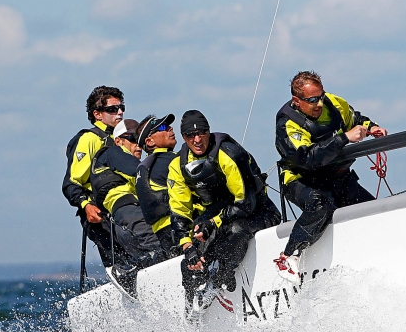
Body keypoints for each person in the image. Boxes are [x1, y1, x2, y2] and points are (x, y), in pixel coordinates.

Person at [274, 70, 387, 282]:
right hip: (302, 181)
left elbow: (356, 119)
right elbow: (307, 158)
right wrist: (344, 138)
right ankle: (288, 256)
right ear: (297, 101)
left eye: (321, 96)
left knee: (372, 213)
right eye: (312, 100)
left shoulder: (333, 103)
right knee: (321, 204)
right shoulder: (288, 123)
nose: (319, 104)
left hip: (338, 178)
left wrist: (372, 128)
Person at [168, 110, 281, 311]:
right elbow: (179, 211)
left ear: (209, 132)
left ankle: (218, 280)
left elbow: (245, 204)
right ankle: (190, 307)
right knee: (191, 251)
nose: (197, 140)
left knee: (236, 231)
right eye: (190, 136)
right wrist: (188, 247)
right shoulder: (178, 165)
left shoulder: (229, 154)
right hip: (218, 214)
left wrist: (213, 223)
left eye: (201, 133)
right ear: (183, 139)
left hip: (258, 212)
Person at [90, 117, 167, 292]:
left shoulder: (132, 163)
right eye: (132, 139)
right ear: (118, 141)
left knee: (163, 257)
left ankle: (135, 274)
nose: (138, 144)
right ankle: (126, 272)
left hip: (131, 221)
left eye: (140, 139)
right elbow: (141, 173)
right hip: (130, 216)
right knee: (161, 249)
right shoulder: (112, 153)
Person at [62, 85, 130, 271]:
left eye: (121, 107)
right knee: (121, 264)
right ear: (97, 114)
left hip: (124, 208)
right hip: (100, 215)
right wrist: (86, 206)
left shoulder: (124, 138)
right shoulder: (89, 139)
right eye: (112, 109)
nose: (120, 112)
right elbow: (71, 183)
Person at [135, 114, 180, 259]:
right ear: (150, 142)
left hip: (163, 235)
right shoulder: (171, 160)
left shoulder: (145, 167)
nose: (170, 129)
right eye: (163, 127)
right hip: (180, 229)